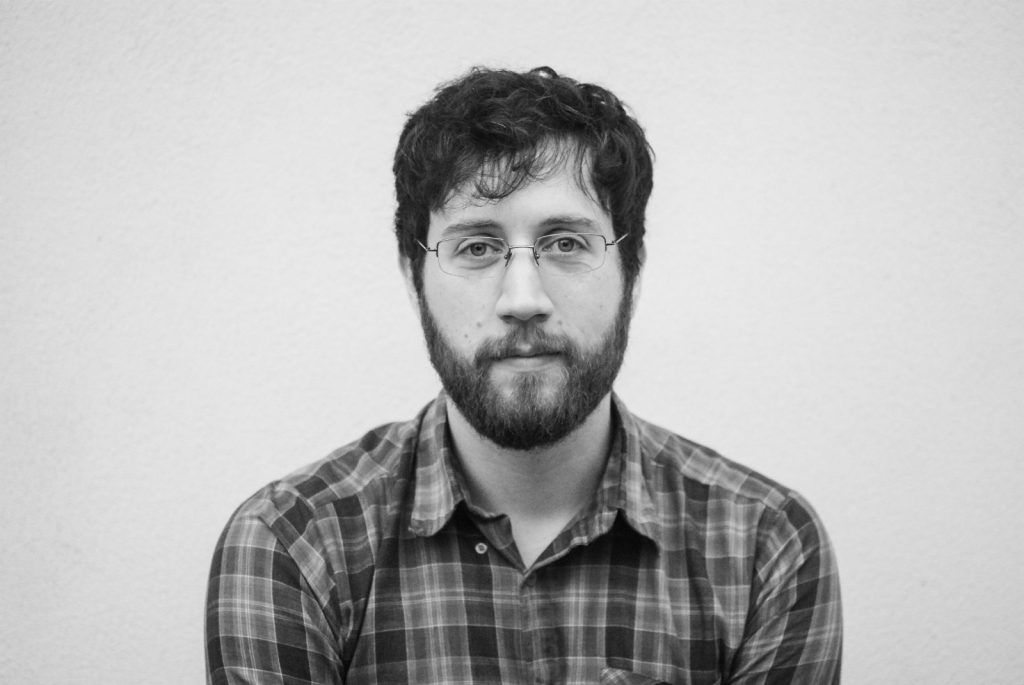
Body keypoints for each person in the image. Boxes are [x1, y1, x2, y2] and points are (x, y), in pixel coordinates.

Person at [205, 66, 842, 684]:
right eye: (476, 247)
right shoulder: (293, 545)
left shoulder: (764, 546)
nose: (523, 298)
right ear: (412, 279)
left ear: (633, 272)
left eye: (566, 243)